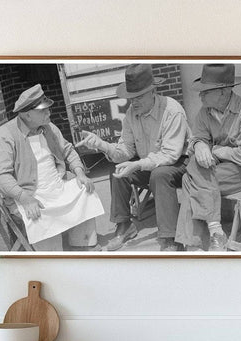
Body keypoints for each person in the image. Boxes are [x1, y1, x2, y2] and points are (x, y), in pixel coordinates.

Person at [76, 64, 190, 251]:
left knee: (159, 175)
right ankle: (124, 225)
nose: (134, 102)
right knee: (119, 171)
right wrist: (101, 144)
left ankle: (171, 238)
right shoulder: (131, 114)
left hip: (179, 163)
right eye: (130, 98)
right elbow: (126, 151)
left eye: (139, 97)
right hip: (149, 163)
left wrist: (137, 165)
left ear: (153, 91)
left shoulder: (172, 110)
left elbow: (170, 154)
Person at [0, 84, 104, 251]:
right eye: (43, 111)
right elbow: (0, 177)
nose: (48, 113)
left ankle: (82, 244)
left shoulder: (49, 127)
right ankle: (52, 255)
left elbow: (68, 150)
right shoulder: (5, 135)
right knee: (38, 215)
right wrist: (25, 198)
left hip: (56, 184)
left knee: (85, 189)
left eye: (48, 109)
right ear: (27, 115)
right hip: (29, 193)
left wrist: (80, 173)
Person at [175, 64, 241, 251]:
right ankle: (215, 233)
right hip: (217, 169)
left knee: (189, 180)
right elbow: (196, 138)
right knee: (195, 168)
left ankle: (197, 242)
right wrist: (200, 145)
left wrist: (216, 150)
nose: (200, 96)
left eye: (205, 91)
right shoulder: (204, 112)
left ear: (223, 91)